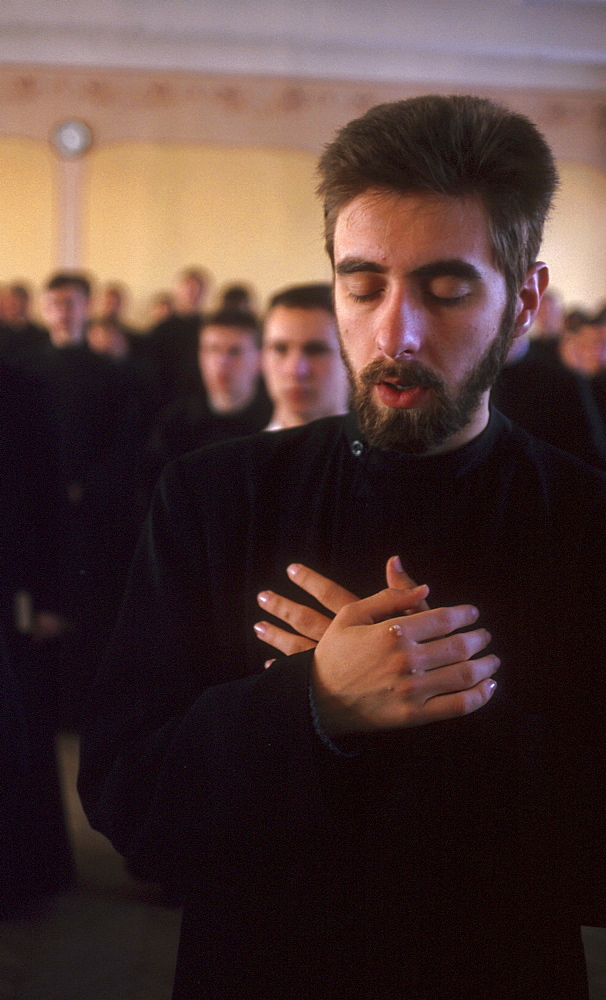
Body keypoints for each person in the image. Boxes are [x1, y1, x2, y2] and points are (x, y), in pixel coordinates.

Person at [79, 95, 606, 1000]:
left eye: (445, 290)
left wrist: (427, 702)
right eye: (363, 286)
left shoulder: (587, 521)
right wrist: (315, 702)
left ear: (524, 302)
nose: (393, 332)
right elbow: (130, 803)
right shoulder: (214, 498)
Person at [143, 309, 272, 483]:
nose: (221, 362)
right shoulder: (174, 423)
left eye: (234, 351)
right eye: (212, 349)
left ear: (259, 359)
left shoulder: (275, 424)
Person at [262, 283, 350, 429]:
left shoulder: (383, 451)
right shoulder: (237, 452)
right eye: (280, 349)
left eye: (316, 350)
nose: (295, 370)